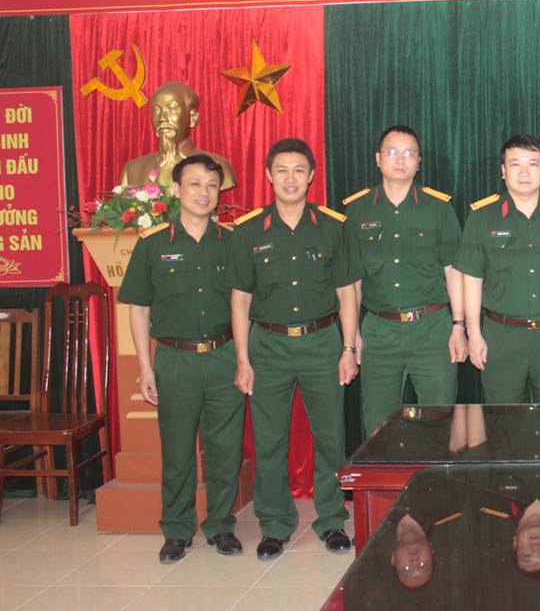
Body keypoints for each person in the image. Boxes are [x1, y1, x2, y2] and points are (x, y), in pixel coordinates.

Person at [229, 137, 362, 559]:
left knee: (330, 437)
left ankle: (332, 520)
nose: (290, 179)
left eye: (299, 171)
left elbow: (347, 292)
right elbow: (240, 299)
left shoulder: (333, 227)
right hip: (267, 345)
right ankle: (274, 523)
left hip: (322, 342)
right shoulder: (249, 231)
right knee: (269, 439)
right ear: (269, 176)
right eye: (282, 171)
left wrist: (348, 349)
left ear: (311, 176)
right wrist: (242, 358)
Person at [119, 154, 245, 564]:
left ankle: (221, 525)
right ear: (176, 189)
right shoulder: (153, 244)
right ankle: (176, 529)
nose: (204, 193)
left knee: (225, 450)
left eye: (211, 185)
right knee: (177, 452)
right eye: (194, 184)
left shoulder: (232, 242)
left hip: (224, 356)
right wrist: (145, 366)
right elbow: (138, 308)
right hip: (174, 360)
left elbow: (245, 302)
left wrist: (244, 358)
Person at [343, 125, 465, 432]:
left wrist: (458, 326)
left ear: (419, 162)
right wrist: (352, 336)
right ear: (378, 158)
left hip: (432, 331)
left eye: (409, 153)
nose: (400, 159)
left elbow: (453, 271)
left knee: (440, 425)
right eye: (392, 152)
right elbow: (352, 281)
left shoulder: (438, 207)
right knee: (377, 426)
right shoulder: (357, 210)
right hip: (379, 332)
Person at [454, 135, 540, 404]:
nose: (524, 172)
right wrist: (473, 334)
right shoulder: (481, 216)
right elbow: (472, 279)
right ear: (503, 171)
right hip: (501, 337)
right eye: (515, 164)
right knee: (503, 422)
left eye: (532, 164)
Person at [120, 80, 236, 191]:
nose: (163, 118)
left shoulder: (218, 166)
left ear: (192, 117)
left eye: (172, 108)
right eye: (157, 109)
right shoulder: (132, 169)